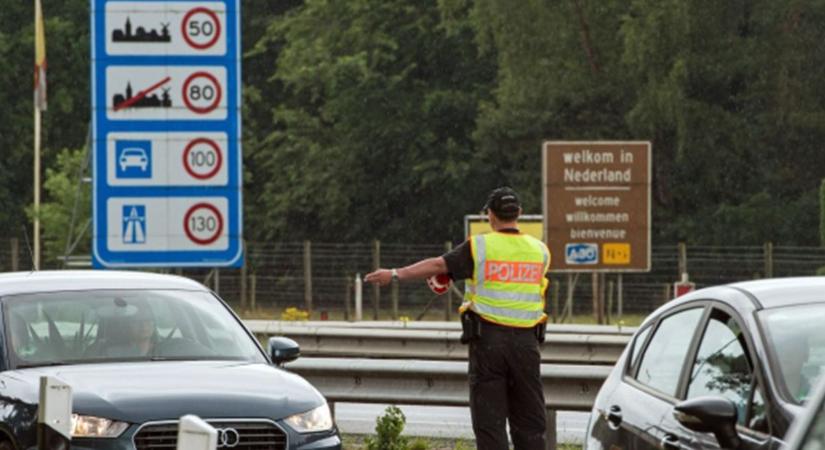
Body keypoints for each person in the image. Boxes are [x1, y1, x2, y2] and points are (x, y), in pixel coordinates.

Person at [365, 186, 551, 449]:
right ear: (519, 213)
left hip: (489, 344)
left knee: (490, 423)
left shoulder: (480, 246)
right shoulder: (540, 250)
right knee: (530, 424)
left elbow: (439, 266)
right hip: (527, 345)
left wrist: (395, 273)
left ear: (490, 215)